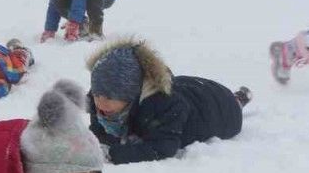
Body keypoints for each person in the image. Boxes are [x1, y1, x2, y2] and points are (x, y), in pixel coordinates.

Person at [86, 38, 250, 164]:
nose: (101, 103)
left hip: (221, 107)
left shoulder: (162, 106)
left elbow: (163, 147)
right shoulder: (98, 100)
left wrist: (113, 154)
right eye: (97, 94)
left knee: (232, 105)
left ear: (132, 95)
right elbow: (97, 132)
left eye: (110, 97)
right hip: (188, 86)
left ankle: (239, 99)